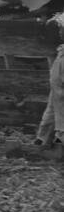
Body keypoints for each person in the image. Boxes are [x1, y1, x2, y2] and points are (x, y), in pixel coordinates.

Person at [34, 11, 64, 151]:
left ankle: (43, 139)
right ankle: (49, 138)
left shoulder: (54, 21)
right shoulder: (55, 22)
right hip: (59, 59)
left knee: (55, 99)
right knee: (57, 99)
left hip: (58, 59)